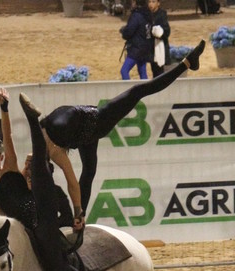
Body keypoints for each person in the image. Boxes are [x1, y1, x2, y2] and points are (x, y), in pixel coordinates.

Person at [35, 38, 205, 221]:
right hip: (94, 123)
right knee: (137, 91)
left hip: (87, 127)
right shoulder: (52, 146)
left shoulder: (43, 138)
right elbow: (72, 184)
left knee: (89, 172)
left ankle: (81, 220)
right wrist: (77, 211)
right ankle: (186, 64)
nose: (31, 157)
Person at [0, 93, 105, 271]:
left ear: (2, 157)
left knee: (55, 263)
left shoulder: (11, 168)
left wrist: (4, 109)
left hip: (40, 219)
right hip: (25, 228)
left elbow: (8, 136)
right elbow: (0, 214)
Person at [21, 153, 74, 228]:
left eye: (31, 167)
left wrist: (50, 225)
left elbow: (67, 218)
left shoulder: (55, 191)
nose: (27, 170)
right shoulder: (21, 190)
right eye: (26, 166)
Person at [119, 0, 153, 80]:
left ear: (136, 3)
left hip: (136, 49)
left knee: (124, 71)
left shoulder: (136, 15)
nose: (132, 4)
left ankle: (129, 91)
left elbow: (129, 32)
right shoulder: (147, 14)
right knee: (142, 72)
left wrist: (123, 31)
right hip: (145, 48)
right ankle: (146, 91)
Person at [149, 0, 171, 78]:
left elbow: (167, 32)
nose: (151, 4)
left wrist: (157, 32)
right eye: (150, 2)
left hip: (160, 47)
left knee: (160, 74)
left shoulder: (162, 15)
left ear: (158, 3)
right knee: (154, 72)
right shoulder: (148, 15)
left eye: (153, 2)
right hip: (152, 49)